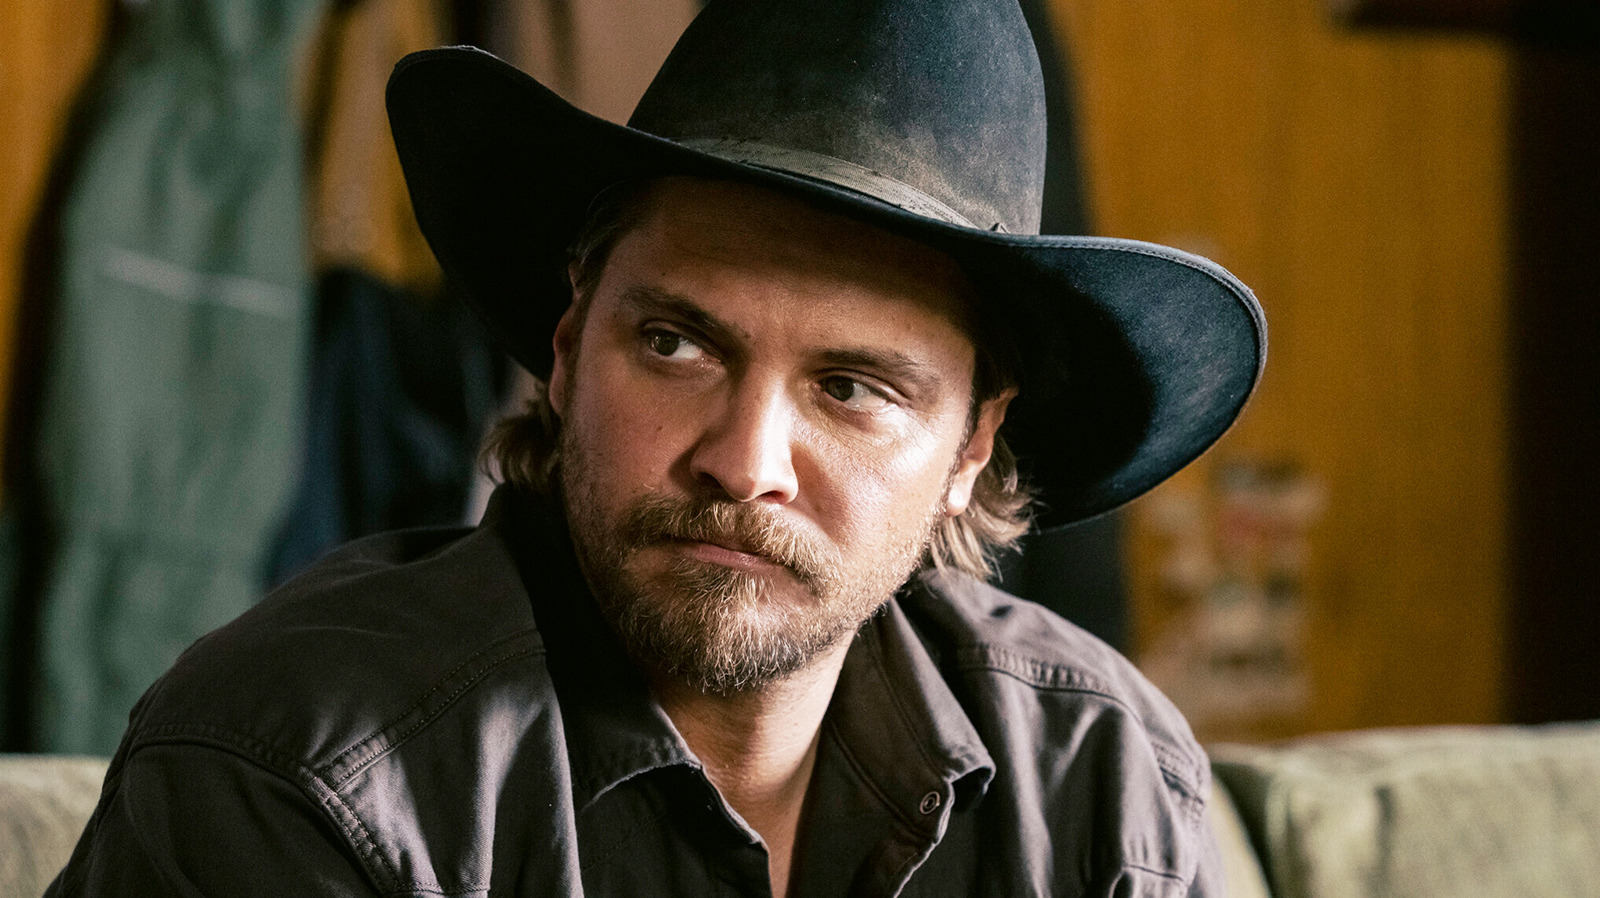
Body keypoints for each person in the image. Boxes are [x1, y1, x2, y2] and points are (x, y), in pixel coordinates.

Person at [48, 0, 1265, 895]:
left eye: (850, 388)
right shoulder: (295, 767)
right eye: (677, 344)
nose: (743, 462)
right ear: (569, 347)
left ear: (970, 445)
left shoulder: (1096, 773)